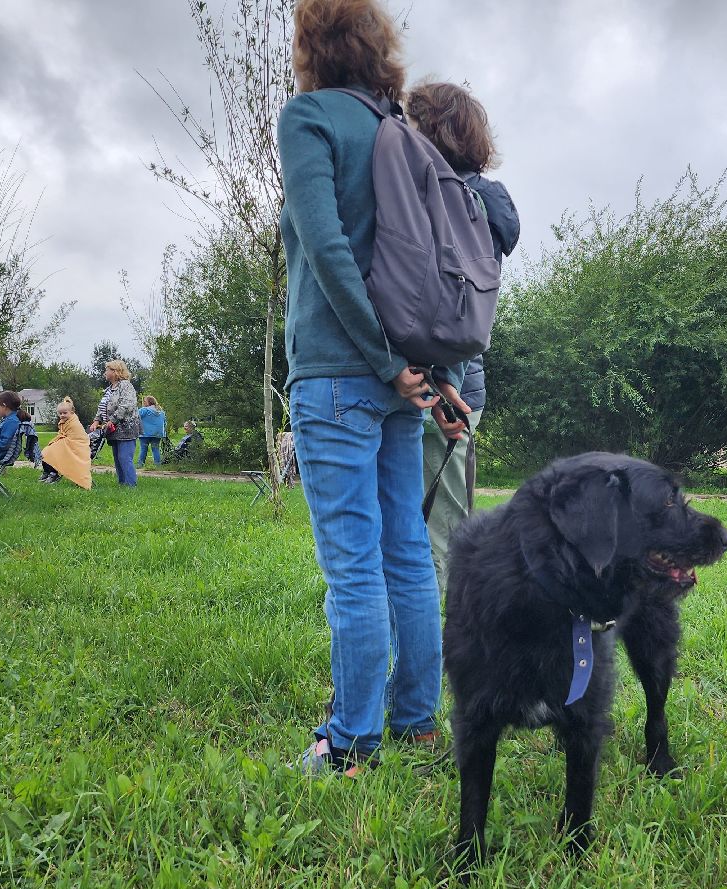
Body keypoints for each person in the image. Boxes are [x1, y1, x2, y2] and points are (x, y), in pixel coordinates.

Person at [280, 0, 468, 776]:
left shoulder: (310, 119)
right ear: (380, 47)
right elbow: (428, 261)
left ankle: (352, 745)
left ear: (311, 47)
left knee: (355, 566)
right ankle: (419, 722)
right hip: (400, 383)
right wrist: (424, 370)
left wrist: (381, 359)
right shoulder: (402, 130)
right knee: (406, 558)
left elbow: (326, 247)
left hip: (337, 375)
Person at [405, 80, 521, 592]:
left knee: (435, 535)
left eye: (409, 124)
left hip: (435, 387)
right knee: (446, 524)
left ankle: (440, 660)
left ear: (431, 130)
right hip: (461, 382)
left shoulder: (443, 198)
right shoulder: (483, 204)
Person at [91, 359, 140, 486]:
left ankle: (131, 485)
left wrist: (112, 420)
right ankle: (122, 483)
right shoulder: (109, 389)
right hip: (113, 429)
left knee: (124, 457)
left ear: (115, 371)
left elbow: (126, 405)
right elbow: (103, 406)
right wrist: (97, 420)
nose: (105, 372)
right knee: (118, 458)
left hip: (126, 427)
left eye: (107, 370)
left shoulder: (125, 385)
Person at [39, 397, 92, 489]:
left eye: (65, 413)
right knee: (45, 452)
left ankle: (54, 473)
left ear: (72, 412)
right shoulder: (64, 421)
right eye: (60, 413)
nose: (62, 415)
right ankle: (47, 471)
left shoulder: (74, 422)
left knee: (51, 452)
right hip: (66, 442)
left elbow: (76, 437)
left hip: (77, 446)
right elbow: (62, 434)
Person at [137, 395, 167, 467]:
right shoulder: (161, 412)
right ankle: (158, 465)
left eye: (144, 401)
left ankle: (140, 464)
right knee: (155, 449)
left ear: (148, 402)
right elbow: (165, 423)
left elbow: (135, 416)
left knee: (143, 449)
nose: (143, 403)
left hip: (145, 433)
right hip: (157, 434)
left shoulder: (144, 410)